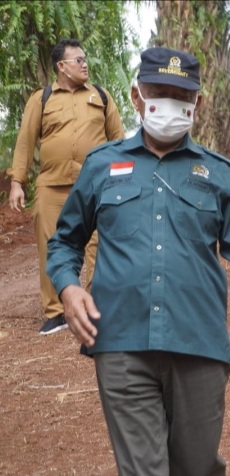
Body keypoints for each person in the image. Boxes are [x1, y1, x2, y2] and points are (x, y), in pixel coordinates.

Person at [46, 47, 230, 474]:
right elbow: (65, 241)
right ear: (137, 97)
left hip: (199, 345)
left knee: (194, 467)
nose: (170, 104)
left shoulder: (220, 174)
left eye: (182, 94)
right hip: (121, 343)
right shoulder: (102, 165)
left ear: (198, 103)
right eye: (159, 90)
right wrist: (68, 286)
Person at [7, 38, 125, 335]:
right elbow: (25, 142)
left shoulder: (101, 96)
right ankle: (57, 311)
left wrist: (124, 179)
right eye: (78, 60)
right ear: (61, 67)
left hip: (97, 185)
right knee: (50, 243)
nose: (85, 64)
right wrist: (17, 182)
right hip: (52, 185)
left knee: (101, 244)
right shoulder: (42, 98)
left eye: (86, 59)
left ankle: (96, 305)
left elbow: (119, 142)